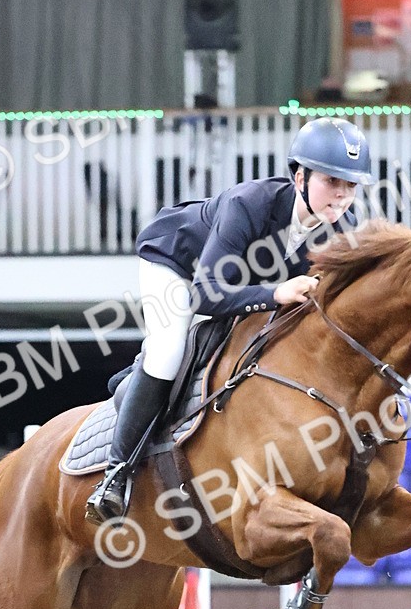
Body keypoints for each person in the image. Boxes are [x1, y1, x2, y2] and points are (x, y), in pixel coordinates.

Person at [85, 117, 373, 524]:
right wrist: (275, 293)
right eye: (331, 181)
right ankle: (116, 475)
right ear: (300, 177)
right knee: (168, 351)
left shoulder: (343, 231)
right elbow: (204, 295)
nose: (342, 195)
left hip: (240, 285)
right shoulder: (249, 204)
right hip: (178, 265)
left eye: (350, 186)